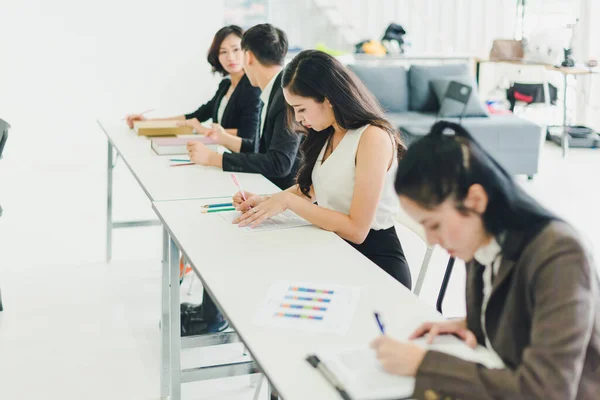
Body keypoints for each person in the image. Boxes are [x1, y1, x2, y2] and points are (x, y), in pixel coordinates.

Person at [370, 121, 600, 400]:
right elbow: (518, 313)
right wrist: (470, 324)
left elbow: (546, 391)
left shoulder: (560, 254)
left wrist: (424, 364)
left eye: (435, 225)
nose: (430, 240)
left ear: (476, 200)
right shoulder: (480, 240)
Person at [232, 50, 412, 288]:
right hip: (336, 250)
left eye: (301, 109)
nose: (297, 118)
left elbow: (357, 230)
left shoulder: (372, 137)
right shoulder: (328, 133)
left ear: (327, 99)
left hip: (375, 264)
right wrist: (266, 201)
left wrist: (288, 202)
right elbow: (315, 188)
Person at [186, 23, 302, 190]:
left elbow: (279, 164)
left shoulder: (285, 96)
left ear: (247, 57)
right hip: (267, 192)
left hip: (283, 199)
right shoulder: (273, 90)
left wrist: (214, 158)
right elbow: (260, 149)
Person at [125, 25, 262, 153]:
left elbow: (247, 135)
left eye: (236, 49)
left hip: (241, 162)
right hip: (222, 154)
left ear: (247, 52)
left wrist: (202, 130)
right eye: (223, 52)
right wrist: (147, 121)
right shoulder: (225, 86)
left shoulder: (253, 88)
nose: (230, 57)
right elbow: (195, 116)